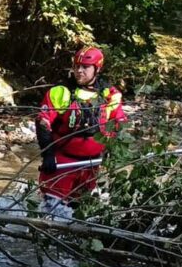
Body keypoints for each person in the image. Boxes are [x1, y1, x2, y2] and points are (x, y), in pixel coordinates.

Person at [35, 47, 128, 217]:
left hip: (91, 166)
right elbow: (43, 122)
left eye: (85, 67)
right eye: (77, 66)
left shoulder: (110, 95)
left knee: (81, 214)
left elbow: (118, 123)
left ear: (97, 69)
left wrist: (113, 152)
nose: (79, 71)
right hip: (61, 163)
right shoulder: (60, 92)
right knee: (51, 215)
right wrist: (47, 154)